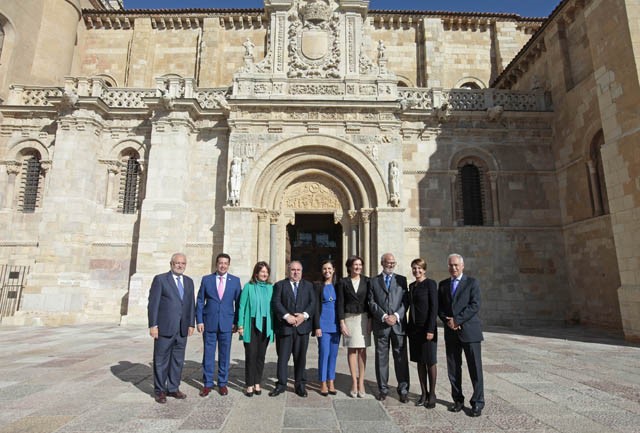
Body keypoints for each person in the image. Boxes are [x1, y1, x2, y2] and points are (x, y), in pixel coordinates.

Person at [438, 253, 484, 417]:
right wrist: (448, 321)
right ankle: (457, 400)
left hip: (470, 332)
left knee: (475, 368)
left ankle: (477, 402)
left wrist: (457, 320)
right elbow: (440, 307)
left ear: (462, 266)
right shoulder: (443, 285)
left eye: (456, 265)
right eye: (451, 265)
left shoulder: (472, 283)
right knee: (453, 368)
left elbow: (475, 305)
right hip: (451, 333)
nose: (453, 268)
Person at [147, 253, 195, 404]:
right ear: (171, 264)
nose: (180, 265)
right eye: (177, 263)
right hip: (164, 328)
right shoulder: (160, 279)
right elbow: (153, 304)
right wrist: (153, 325)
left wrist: (191, 323)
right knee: (161, 360)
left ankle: (173, 388)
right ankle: (160, 390)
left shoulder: (189, 281)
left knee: (178, 360)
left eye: (183, 263)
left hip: (182, 329)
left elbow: (190, 304)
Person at [196, 253, 242, 397]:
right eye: (220, 263)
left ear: (229, 265)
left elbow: (239, 304)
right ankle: (207, 383)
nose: (223, 265)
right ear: (216, 264)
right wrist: (199, 321)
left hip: (227, 324)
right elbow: (200, 301)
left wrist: (236, 322)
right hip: (209, 322)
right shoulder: (207, 279)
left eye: (225, 263)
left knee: (224, 354)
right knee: (208, 354)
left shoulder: (235, 281)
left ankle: (222, 383)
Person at [269, 260, 316, 398]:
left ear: (301, 272)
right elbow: (275, 302)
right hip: (285, 328)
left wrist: (304, 316)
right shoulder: (280, 285)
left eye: (298, 270)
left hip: (302, 328)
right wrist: (286, 316)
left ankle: (300, 385)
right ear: (288, 271)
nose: (295, 272)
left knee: (300, 358)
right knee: (283, 358)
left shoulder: (308, 286)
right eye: (293, 270)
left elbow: (313, 303)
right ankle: (281, 385)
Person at [367, 252, 410, 403]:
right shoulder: (373, 281)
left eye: (393, 262)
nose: (390, 264)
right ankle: (383, 389)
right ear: (382, 263)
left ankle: (403, 390)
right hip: (381, 325)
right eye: (388, 262)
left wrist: (396, 316)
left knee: (401, 358)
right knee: (381, 358)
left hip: (398, 326)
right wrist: (384, 316)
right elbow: (371, 302)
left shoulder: (401, 280)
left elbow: (406, 301)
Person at [237, 261, 274, 397]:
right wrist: (240, 325)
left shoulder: (271, 288)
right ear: (256, 273)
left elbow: (273, 309)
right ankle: (249, 384)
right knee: (251, 355)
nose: (264, 274)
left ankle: (257, 382)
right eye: (262, 271)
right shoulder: (248, 287)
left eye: (266, 272)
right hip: (251, 324)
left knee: (261, 356)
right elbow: (241, 307)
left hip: (265, 324)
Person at [336, 255, 371, 398]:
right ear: (349, 266)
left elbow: (370, 301)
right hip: (349, 318)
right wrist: (342, 322)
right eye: (355, 265)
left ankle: (361, 382)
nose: (358, 267)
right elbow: (340, 303)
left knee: (362, 350)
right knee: (352, 350)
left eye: (360, 265)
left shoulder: (368, 281)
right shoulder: (343, 282)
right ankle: (353, 383)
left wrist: (370, 320)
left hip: (363, 318)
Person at [408, 258, 438, 408]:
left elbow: (434, 308)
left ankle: (432, 394)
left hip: (427, 330)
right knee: (420, 362)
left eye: (419, 268)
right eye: (414, 268)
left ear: (424, 269)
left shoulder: (430, 284)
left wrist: (431, 329)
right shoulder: (411, 286)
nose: (417, 271)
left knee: (430, 361)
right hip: (415, 330)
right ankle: (423, 393)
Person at [313, 260, 340, 396]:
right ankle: (322, 382)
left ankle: (331, 380)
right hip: (323, 324)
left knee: (334, 355)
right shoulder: (318, 286)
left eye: (329, 268)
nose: (327, 271)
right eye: (324, 269)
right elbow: (315, 307)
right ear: (322, 271)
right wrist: (316, 326)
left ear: (333, 270)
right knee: (324, 353)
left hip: (336, 325)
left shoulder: (338, 285)